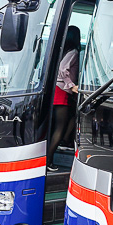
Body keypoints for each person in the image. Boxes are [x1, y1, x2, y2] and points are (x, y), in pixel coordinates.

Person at [47, 26, 81, 171]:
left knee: (61, 123)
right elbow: (62, 70)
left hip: (56, 90)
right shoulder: (73, 52)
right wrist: (72, 85)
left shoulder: (62, 51)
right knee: (59, 128)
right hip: (62, 90)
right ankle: (48, 162)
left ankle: (65, 141)